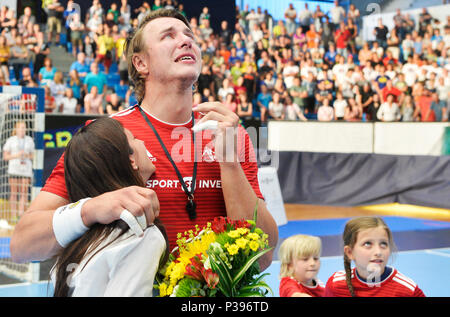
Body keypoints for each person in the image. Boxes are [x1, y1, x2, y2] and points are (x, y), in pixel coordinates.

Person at [10, 9, 278, 271]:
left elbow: (263, 257)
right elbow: (23, 244)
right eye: (168, 36)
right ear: (140, 63)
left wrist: (230, 164)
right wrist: (90, 209)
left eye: (189, 36)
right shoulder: (110, 134)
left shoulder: (230, 133)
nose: (186, 40)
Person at [51, 117, 169, 296]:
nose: (143, 142)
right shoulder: (141, 235)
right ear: (131, 161)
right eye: (135, 139)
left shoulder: (76, 239)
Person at [325, 216, 426, 297]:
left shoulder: (407, 290)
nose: (378, 252)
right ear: (350, 252)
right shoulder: (336, 285)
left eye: (383, 244)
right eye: (368, 244)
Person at [2, 121, 35, 221]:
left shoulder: (29, 140)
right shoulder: (11, 140)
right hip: (14, 169)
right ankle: (13, 215)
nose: (22, 130)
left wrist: (26, 155)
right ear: (16, 129)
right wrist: (17, 155)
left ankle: (21, 215)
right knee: (14, 193)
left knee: (24, 192)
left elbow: (33, 155)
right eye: (20, 128)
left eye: (24, 128)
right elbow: (5, 157)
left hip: (26, 169)